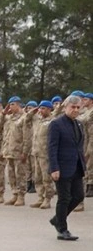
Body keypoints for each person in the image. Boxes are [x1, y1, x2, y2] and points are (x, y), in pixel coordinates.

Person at [47, 94, 86, 241]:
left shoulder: (79, 124)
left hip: (76, 166)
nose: (75, 110)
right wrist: (54, 168)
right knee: (64, 198)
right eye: (73, 107)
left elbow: (79, 146)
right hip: (61, 168)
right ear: (65, 107)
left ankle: (58, 218)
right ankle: (62, 229)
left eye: (78, 107)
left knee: (78, 196)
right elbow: (52, 148)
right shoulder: (56, 124)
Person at [1, 96, 30, 206]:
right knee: (11, 174)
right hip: (9, 150)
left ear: (18, 105)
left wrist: (25, 151)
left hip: (19, 151)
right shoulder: (9, 118)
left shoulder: (24, 118)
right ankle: (14, 194)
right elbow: (2, 130)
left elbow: (27, 136)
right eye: (9, 104)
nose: (10, 107)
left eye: (12, 104)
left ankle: (21, 195)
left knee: (20, 174)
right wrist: (4, 114)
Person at [29, 101, 55, 209]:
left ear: (49, 109)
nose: (41, 110)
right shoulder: (37, 119)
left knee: (46, 178)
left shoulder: (53, 121)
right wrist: (33, 111)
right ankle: (40, 197)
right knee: (37, 177)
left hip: (45, 153)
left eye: (43, 108)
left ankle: (47, 199)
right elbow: (26, 118)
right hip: (36, 152)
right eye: (40, 108)